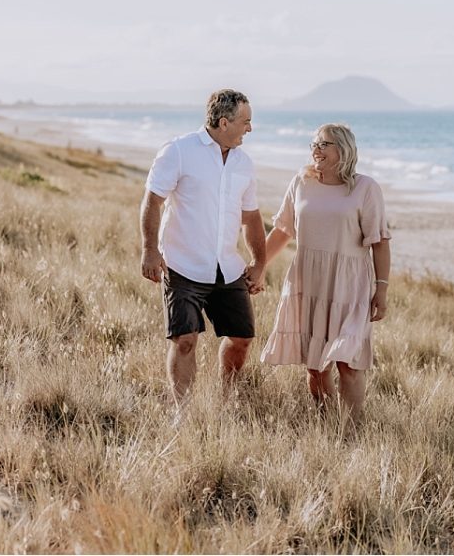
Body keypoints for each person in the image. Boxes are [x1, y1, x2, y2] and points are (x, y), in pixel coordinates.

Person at [140, 89, 266, 407]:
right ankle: (182, 410)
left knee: (242, 339)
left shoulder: (244, 164)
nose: (250, 128)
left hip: (228, 267)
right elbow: (153, 201)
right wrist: (150, 250)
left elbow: (251, 217)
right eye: (246, 122)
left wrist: (259, 263)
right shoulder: (179, 151)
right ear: (224, 122)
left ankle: (224, 400)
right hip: (183, 265)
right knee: (184, 340)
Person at [256, 123, 391, 422]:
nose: (315, 150)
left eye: (324, 144)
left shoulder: (365, 188)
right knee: (315, 366)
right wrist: (258, 266)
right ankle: (327, 424)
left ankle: (352, 432)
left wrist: (381, 289)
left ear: (343, 150)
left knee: (348, 363)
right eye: (314, 144)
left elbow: (379, 242)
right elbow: (282, 232)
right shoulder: (301, 183)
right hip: (309, 282)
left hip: (350, 285)